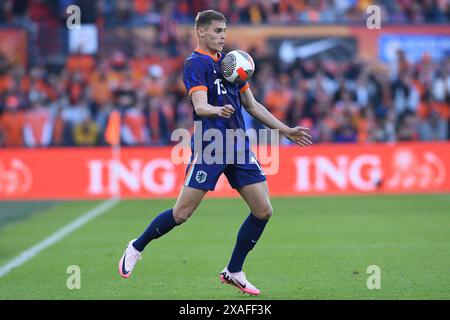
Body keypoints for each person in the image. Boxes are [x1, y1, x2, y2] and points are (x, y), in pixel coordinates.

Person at [118, 10, 312, 296]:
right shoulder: (194, 64)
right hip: (212, 146)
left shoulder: (231, 63)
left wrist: (285, 130)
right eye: (218, 30)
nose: (223, 35)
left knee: (263, 210)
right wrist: (216, 109)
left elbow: (252, 104)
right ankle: (136, 246)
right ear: (201, 32)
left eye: (225, 30)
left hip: (238, 145)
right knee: (182, 213)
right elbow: (199, 106)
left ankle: (234, 270)